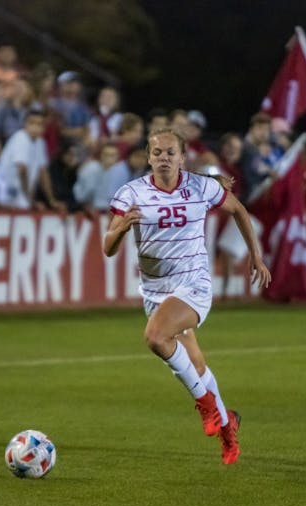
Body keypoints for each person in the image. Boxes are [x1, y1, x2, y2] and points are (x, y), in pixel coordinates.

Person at [104, 127, 271, 465]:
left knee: (155, 336)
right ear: (149, 158)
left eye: (170, 153)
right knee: (195, 365)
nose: (163, 158)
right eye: (157, 153)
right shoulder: (130, 193)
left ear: (182, 157)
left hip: (193, 285)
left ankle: (206, 405)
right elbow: (108, 249)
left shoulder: (201, 187)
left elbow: (239, 210)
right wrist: (121, 229)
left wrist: (256, 255)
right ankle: (227, 426)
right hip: (156, 291)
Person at [0, 109, 64, 211]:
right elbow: (22, 169)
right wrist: (29, 198)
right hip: (8, 192)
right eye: (32, 123)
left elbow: (43, 172)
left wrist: (52, 200)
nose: (35, 127)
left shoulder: (40, 142)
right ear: (25, 124)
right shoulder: (21, 139)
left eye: (39, 124)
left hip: (22, 194)